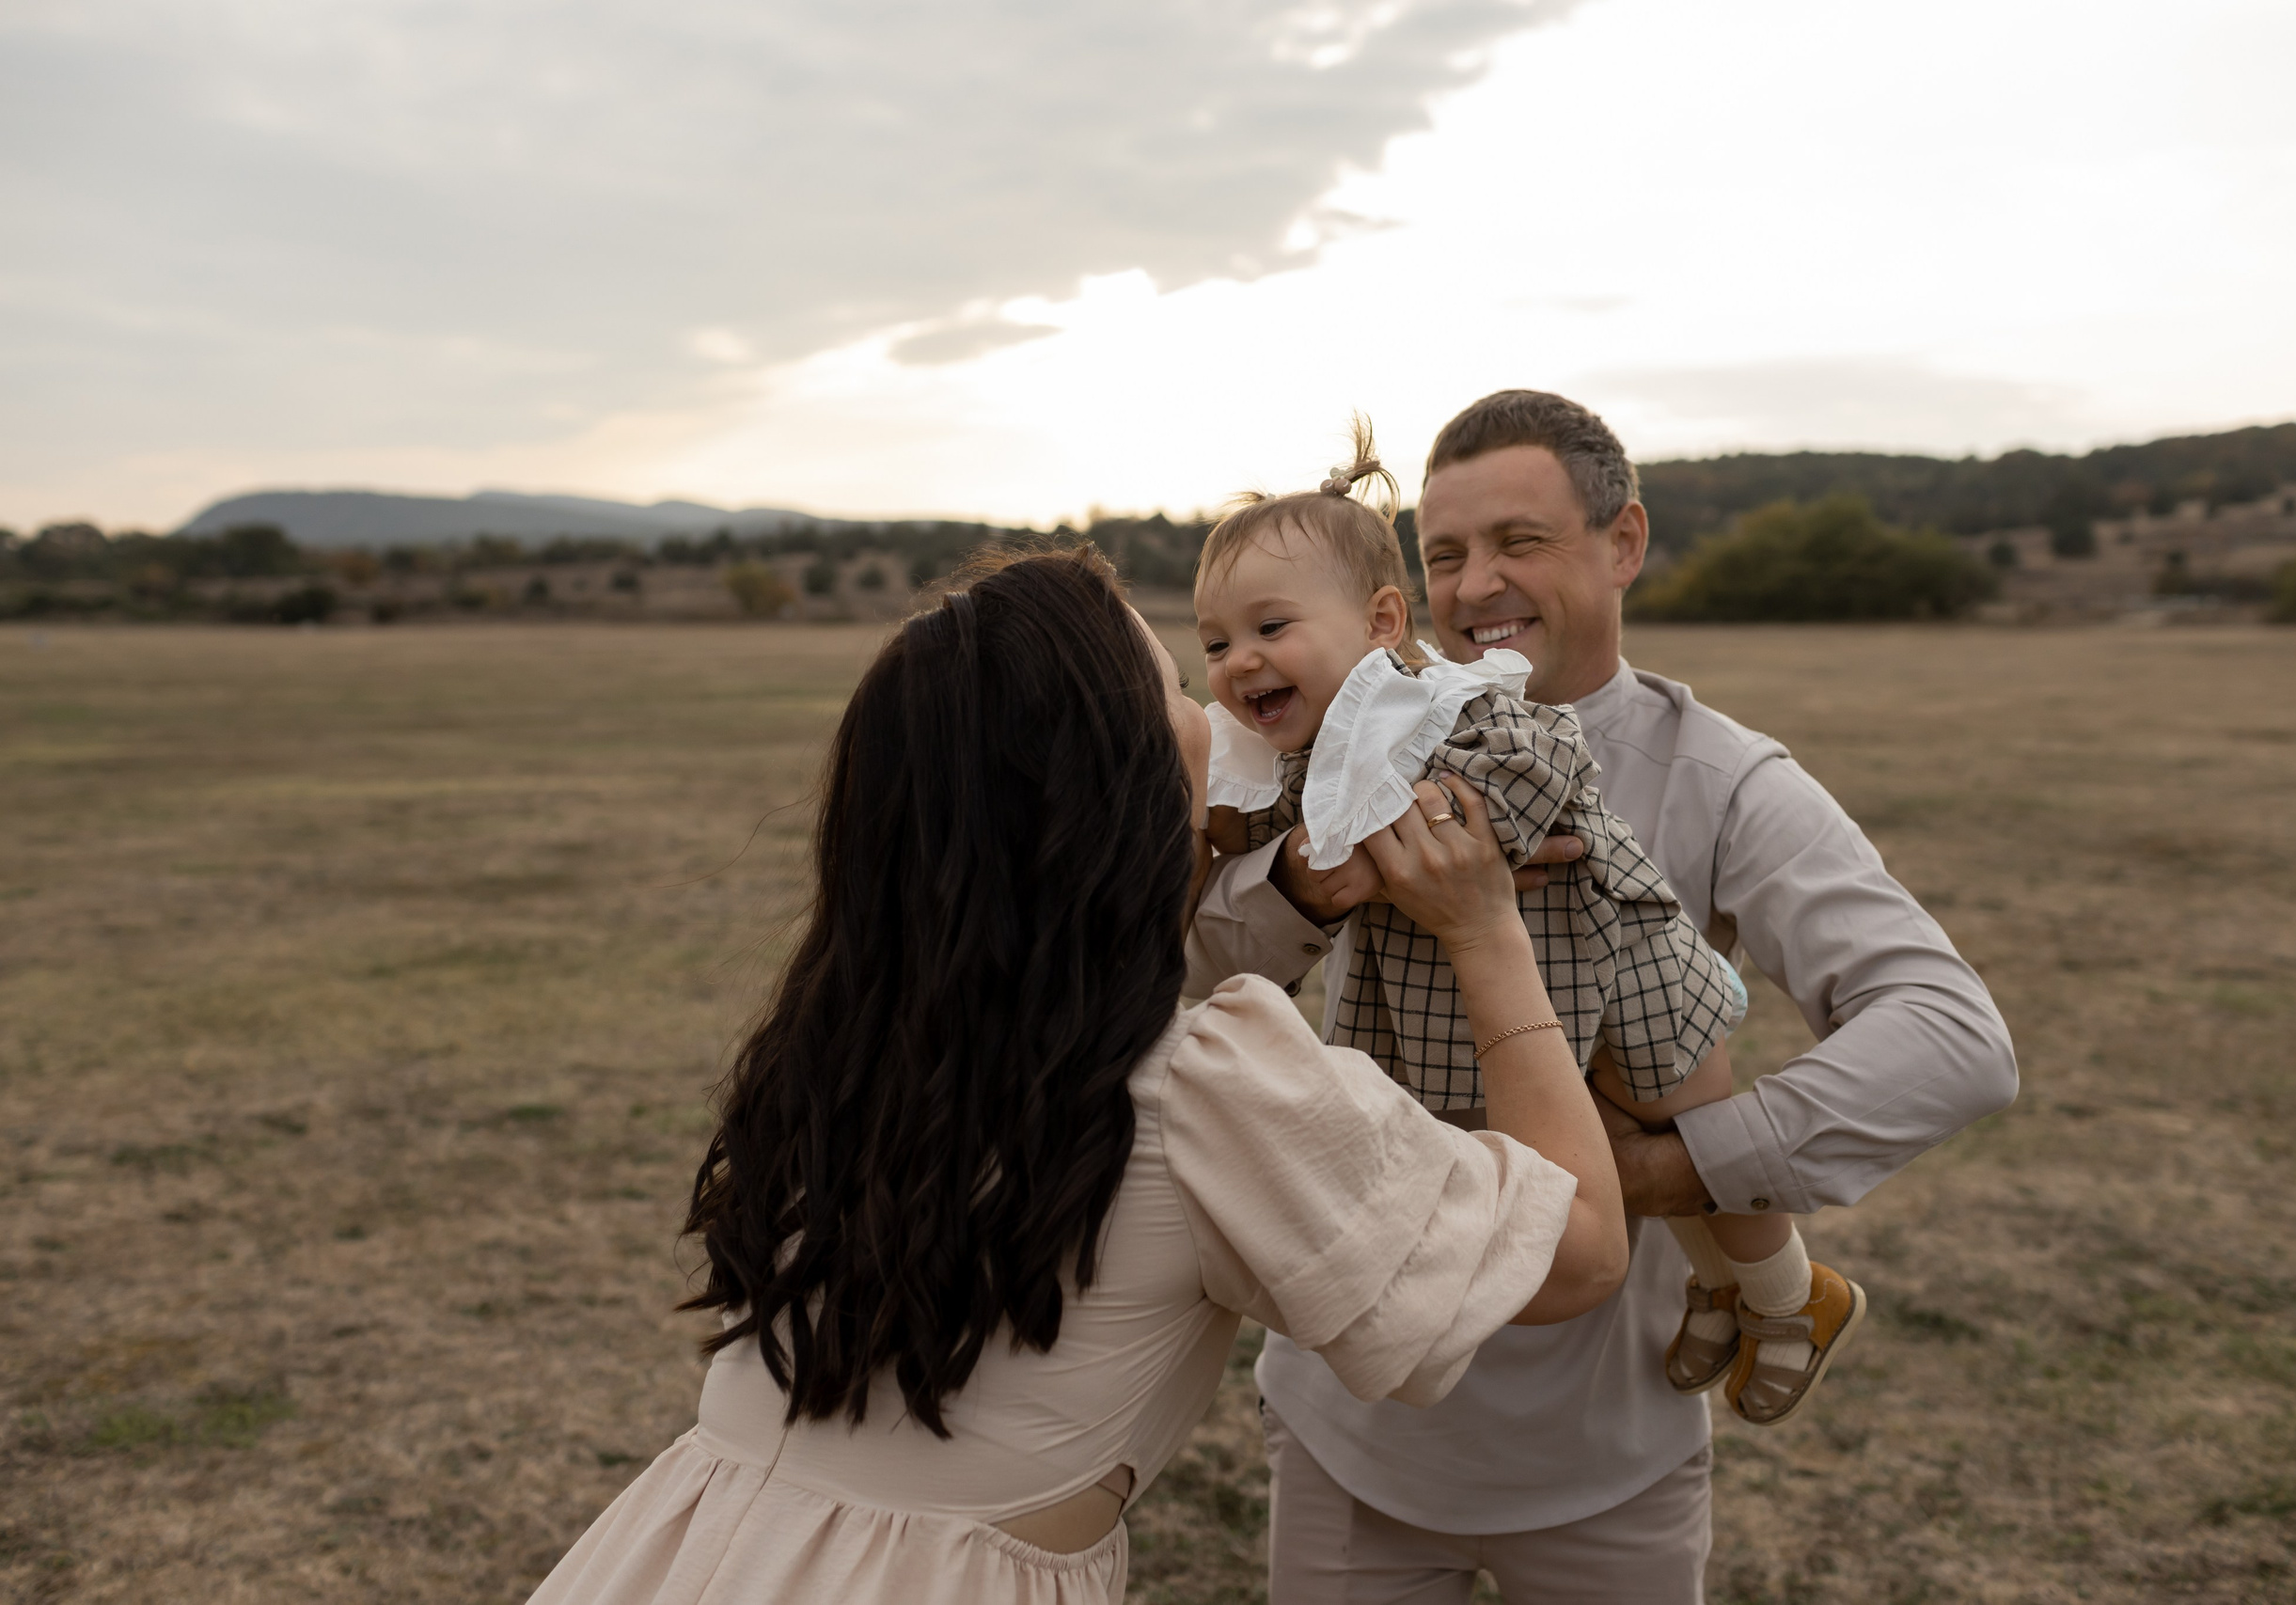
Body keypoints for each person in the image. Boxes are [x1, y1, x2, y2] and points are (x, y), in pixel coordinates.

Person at [526, 547, 1632, 1605]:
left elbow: (1098, 963)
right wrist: (1485, 929)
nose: (1208, 707)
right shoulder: (1200, 1088)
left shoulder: (852, 1037)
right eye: (1172, 684)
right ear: (1118, 778)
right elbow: (1578, 1252)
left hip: (691, 1552)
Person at [1187, 392, 2019, 1603]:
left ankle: (1783, 1297)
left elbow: (1953, 1043)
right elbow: (1172, 984)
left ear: (1622, 543)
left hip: (1613, 1458)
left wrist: (1642, 1173)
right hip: (1349, 1432)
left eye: (1520, 543)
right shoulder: (1337, 742)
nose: (1477, 590)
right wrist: (1308, 892)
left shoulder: (1721, 777)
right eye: (1447, 557)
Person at [1192, 419, 1866, 1428]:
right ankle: (1725, 1290)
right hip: (1510, 1015)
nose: (1240, 662)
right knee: (1596, 1134)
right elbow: (1273, 860)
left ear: (1381, 623)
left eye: (1270, 630)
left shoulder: (1448, 704)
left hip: (1623, 967)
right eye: (1215, 644)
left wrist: (1402, 834)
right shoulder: (1303, 754)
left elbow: (1538, 765)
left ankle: (1786, 1295)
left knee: (1693, 1138)